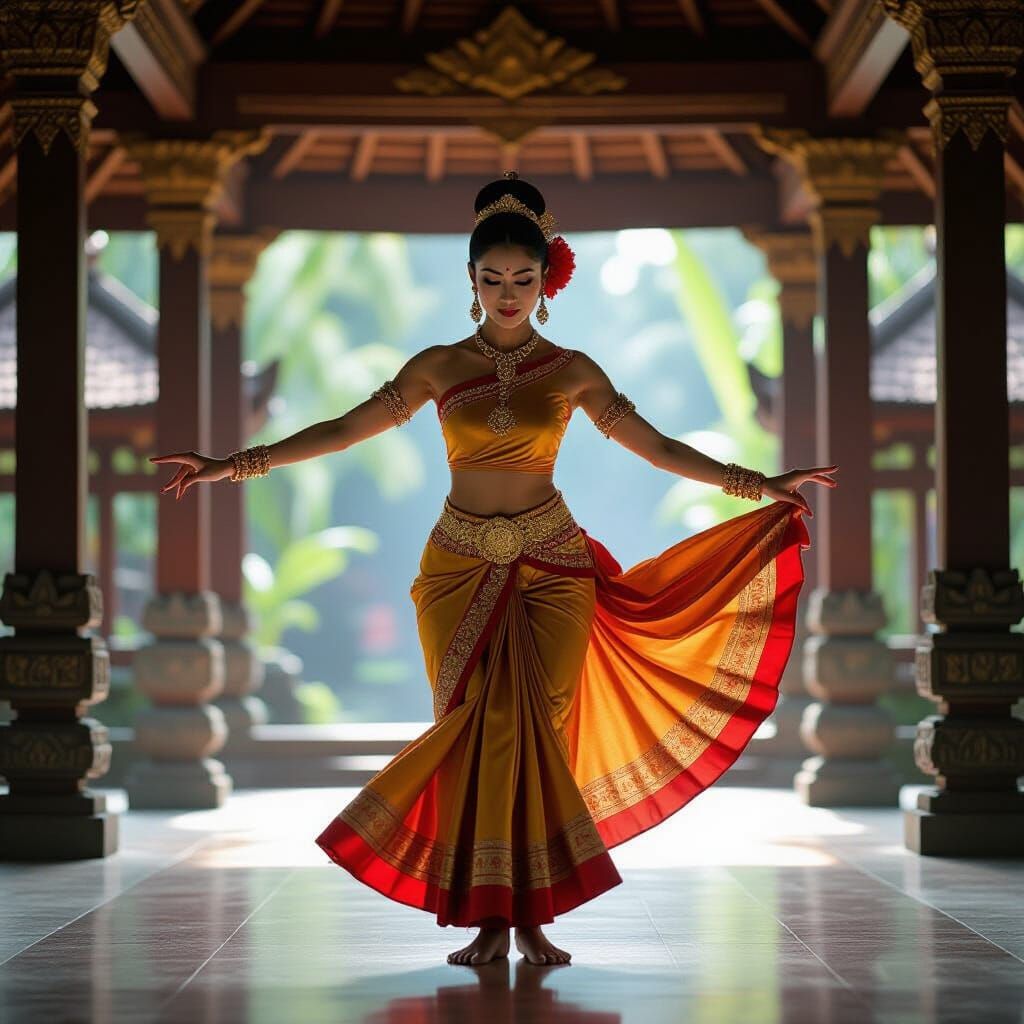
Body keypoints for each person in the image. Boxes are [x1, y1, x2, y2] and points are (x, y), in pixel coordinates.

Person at [151, 171, 836, 968]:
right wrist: (231, 465)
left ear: (546, 282)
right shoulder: (438, 366)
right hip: (457, 568)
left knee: (538, 729)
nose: (508, 294)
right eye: (492, 279)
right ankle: (488, 918)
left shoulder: (573, 370)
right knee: (475, 728)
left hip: (554, 566)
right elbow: (341, 430)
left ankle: (530, 916)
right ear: (471, 281)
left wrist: (757, 483)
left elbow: (655, 447)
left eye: (522, 278)